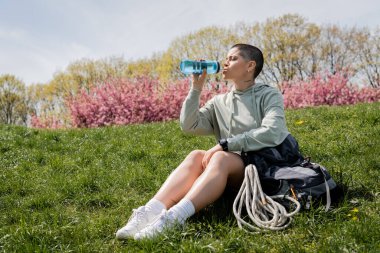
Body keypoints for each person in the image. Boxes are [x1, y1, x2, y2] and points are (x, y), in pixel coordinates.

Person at [115, 43, 304, 240]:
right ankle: (150, 212)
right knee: (196, 155)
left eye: (232, 58)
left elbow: (273, 132)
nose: (225, 62)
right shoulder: (219, 102)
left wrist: (226, 144)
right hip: (231, 170)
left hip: (264, 169)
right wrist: (195, 88)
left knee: (221, 157)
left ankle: (174, 218)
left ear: (250, 66)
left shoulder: (268, 94)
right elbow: (190, 125)